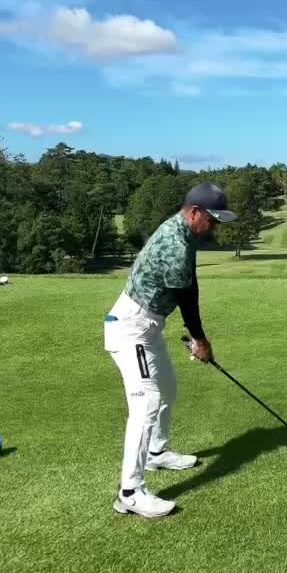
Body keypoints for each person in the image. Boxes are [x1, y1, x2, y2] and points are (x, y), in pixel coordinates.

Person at [104, 182, 237, 519]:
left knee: (167, 389)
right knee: (147, 401)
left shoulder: (185, 233)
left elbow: (190, 283)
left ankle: (156, 452)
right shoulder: (176, 243)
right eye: (212, 220)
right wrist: (200, 341)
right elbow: (187, 300)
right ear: (195, 213)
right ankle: (130, 492)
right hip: (132, 328)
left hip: (148, 326)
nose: (214, 226)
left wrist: (199, 338)